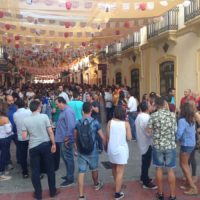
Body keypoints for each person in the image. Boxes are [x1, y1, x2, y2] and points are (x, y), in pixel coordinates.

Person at [22, 100, 58, 200]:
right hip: (45, 145)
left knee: (35, 171)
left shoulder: (25, 120)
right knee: (50, 169)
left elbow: (24, 136)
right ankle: (52, 191)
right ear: (38, 108)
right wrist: (53, 143)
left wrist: (31, 132)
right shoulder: (44, 117)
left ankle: (38, 194)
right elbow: (50, 132)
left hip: (33, 147)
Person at [75, 102, 106, 200]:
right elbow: (102, 137)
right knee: (94, 168)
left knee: (81, 171)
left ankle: (81, 195)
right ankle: (96, 184)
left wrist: (76, 147)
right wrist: (106, 145)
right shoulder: (95, 122)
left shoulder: (78, 122)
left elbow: (75, 137)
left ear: (82, 111)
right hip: (92, 150)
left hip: (81, 150)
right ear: (91, 110)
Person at [147, 97, 177, 200]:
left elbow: (149, 131)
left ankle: (160, 194)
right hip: (170, 145)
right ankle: (173, 195)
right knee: (170, 170)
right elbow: (175, 130)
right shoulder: (172, 115)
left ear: (156, 105)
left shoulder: (153, 116)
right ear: (165, 104)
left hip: (158, 145)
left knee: (158, 168)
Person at [107, 106, 132, 200]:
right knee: (120, 171)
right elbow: (129, 138)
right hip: (121, 149)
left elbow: (109, 135)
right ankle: (117, 193)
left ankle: (117, 185)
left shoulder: (110, 122)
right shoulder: (126, 124)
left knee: (114, 168)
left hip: (111, 148)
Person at [176, 102, 198, 195]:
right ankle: (188, 183)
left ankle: (193, 187)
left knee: (184, 165)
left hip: (186, 145)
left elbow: (179, 133)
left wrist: (175, 139)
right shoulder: (192, 119)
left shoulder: (182, 120)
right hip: (191, 144)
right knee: (183, 164)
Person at [135, 101, 157, 189]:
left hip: (142, 141)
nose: (152, 106)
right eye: (150, 105)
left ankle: (143, 177)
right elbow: (149, 133)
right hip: (147, 143)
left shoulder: (139, 116)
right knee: (146, 163)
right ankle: (145, 182)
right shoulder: (147, 118)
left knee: (144, 161)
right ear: (147, 108)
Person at [55, 96, 76, 187]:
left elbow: (71, 126)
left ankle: (70, 178)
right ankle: (68, 175)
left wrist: (67, 138)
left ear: (61, 102)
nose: (56, 106)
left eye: (57, 104)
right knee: (65, 158)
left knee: (69, 158)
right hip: (62, 139)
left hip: (65, 140)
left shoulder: (68, 111)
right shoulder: (63, 111)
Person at [13, 98, 32, 178]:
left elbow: (15, 123)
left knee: (23, 156)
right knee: (33, 155)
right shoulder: (29, 111)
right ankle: (36, 171)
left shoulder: (15, 114)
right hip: (31, 136)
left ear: (16, 106)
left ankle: (25, 172)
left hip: (21, 137)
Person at [0, 111, 12, 181]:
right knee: (3, 155)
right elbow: (8, 131)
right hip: (4, 138)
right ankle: (1, 172)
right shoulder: (5, 119)